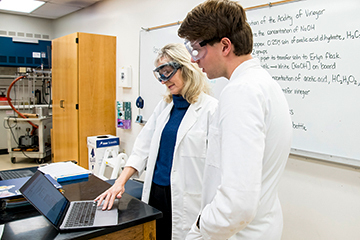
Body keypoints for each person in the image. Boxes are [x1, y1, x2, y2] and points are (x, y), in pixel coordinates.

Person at [177, 0, 293, 239]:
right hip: (260, 227)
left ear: (225, 46)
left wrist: (200, 228)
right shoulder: (264, 84)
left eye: (198, 50)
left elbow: (237, 204)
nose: (193, 60)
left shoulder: (241, 92)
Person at [95, 43, 218, 240]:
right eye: (160, 74)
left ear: (186, 68)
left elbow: (217, 167)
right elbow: (143, 147)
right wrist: (119, 182)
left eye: (168, 72)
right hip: (155, 192)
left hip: (187, 198)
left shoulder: (211, 109)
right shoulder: (165, 106)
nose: (163, 80)